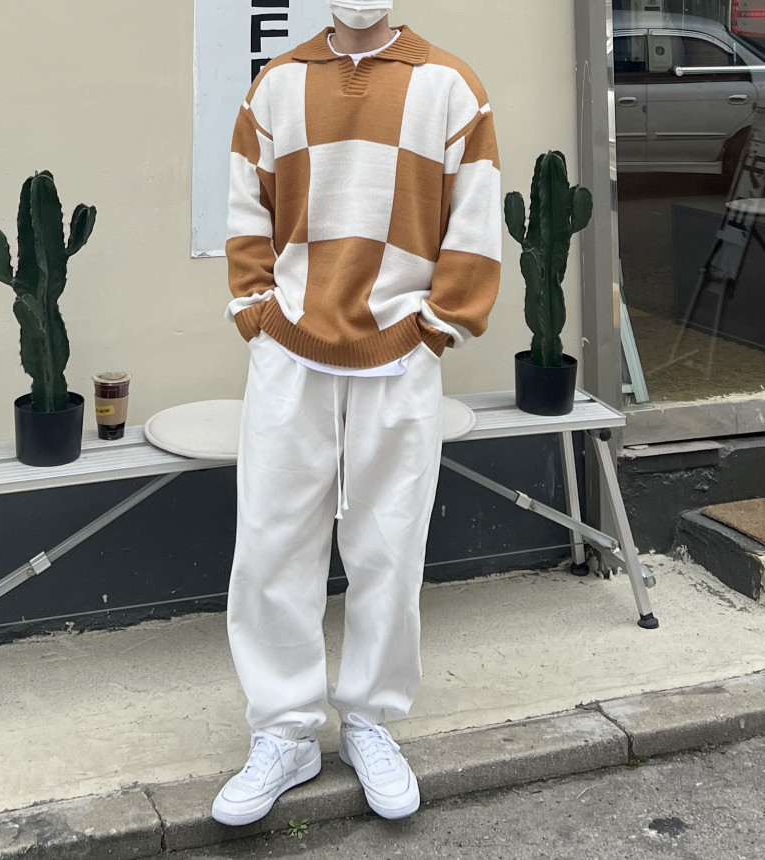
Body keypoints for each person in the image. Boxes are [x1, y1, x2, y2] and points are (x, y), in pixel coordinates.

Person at [212, 0, 501, 826]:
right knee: (271, 541)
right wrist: (257, 313)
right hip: (290, 350)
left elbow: (476, 216)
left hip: (400, 352)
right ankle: (284, 730)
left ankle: (370, 720)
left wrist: (436, 329)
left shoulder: (450, 84)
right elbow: (247, 209)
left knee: (390, 543)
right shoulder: (278, 83)